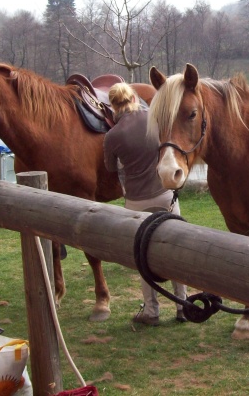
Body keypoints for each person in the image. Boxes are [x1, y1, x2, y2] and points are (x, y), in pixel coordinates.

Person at [103, 82, 188, 326]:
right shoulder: (154, 118)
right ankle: (182, 305)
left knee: (143, 257)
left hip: (136, 202)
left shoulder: (112, 136)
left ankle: (151, 311)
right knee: (175, 250)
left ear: (113, 105)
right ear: (133, 98)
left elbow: (109, 167)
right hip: (164, 195)